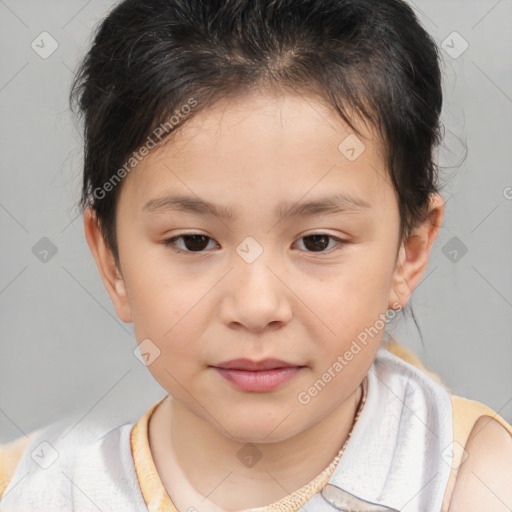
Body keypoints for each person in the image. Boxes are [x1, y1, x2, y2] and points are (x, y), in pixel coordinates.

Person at [1, 0, 511, 510]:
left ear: (410, 252)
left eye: (317, 241)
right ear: (112, 260)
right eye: (194, 241)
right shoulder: (34, 489)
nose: (256, 307)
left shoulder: (474, 484)